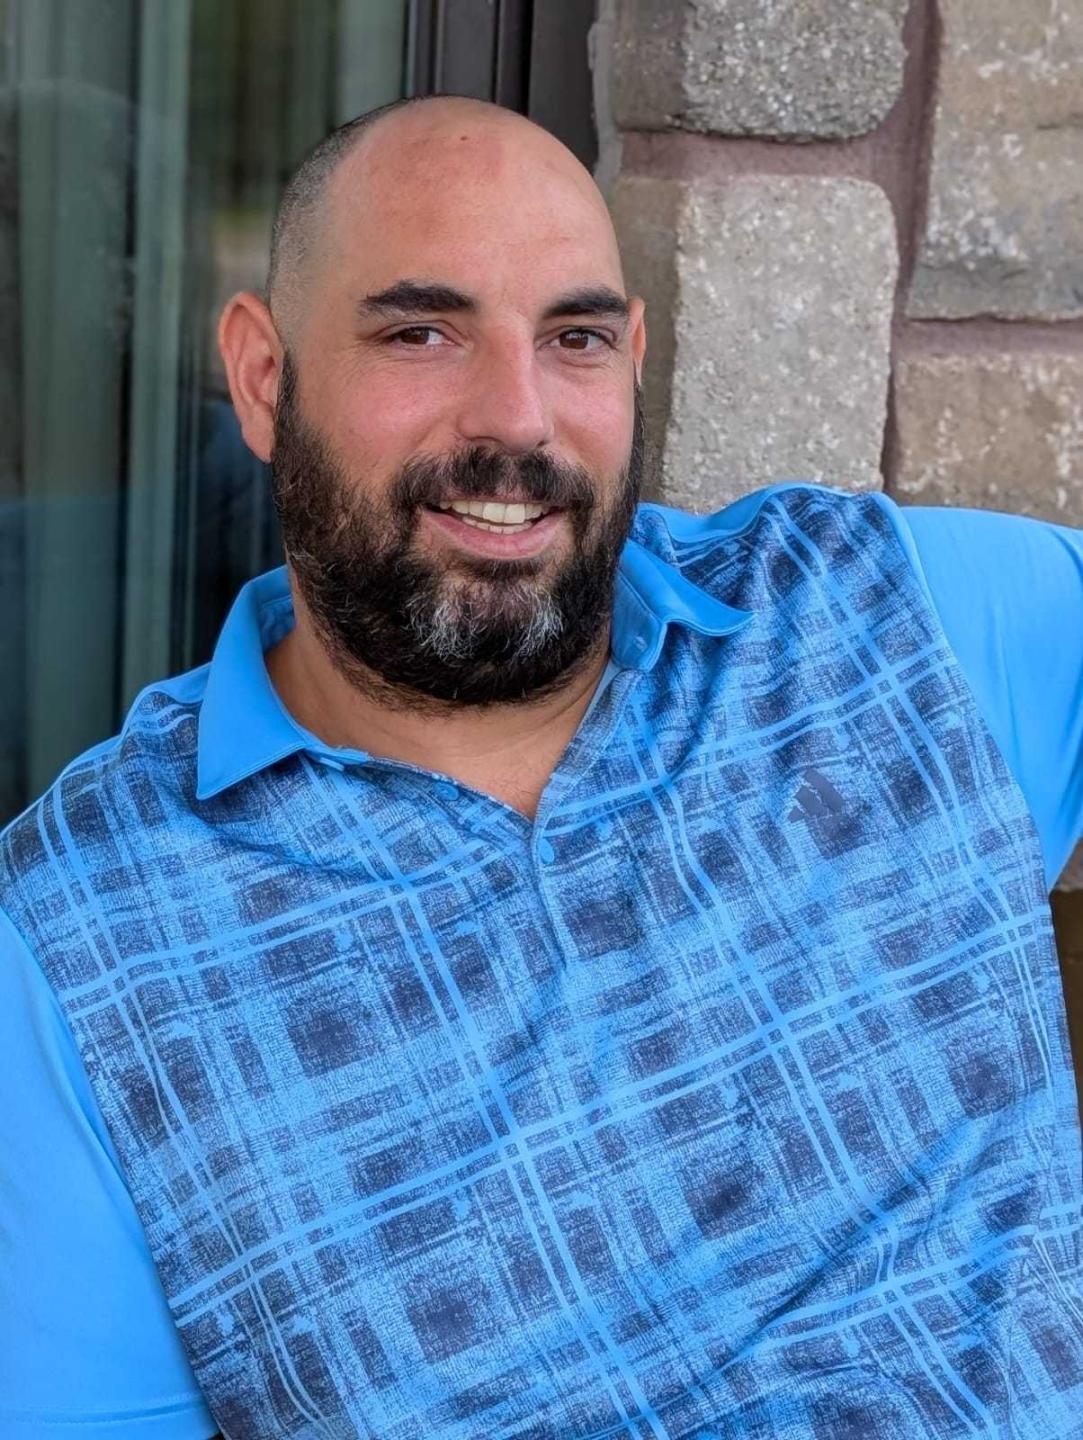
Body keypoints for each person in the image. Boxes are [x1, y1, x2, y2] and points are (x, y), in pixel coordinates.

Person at [1, 94, 1082, 1440]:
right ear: (265, 378)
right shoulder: (80, 944)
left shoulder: (875, 616)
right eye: (422, 331)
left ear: (633, 359)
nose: (516, 421)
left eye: (574, 338)